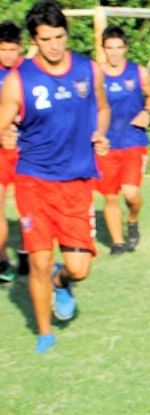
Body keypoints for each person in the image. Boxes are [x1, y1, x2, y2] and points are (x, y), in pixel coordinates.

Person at [0, 0, 110, 354]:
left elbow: (102, 108)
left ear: (67, 33)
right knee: (39, 260)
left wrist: (101, 133)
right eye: (46, 39)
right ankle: (44, 332)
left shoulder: (87, 69)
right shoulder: (19, 79)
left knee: (79, 269)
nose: (55, 45)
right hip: (34, 181)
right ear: (35, 39)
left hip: (77, 183)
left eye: (60, 36)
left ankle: (62, 283)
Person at [98, 25, 150, 255]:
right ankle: (118, 243)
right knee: (111, 196)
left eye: (118, 48)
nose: (114, 53)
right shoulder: (95, 73)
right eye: (109, 48)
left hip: (134, 140)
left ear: (125, 48)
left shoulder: (138, 72)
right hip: (106, 144)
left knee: (131, 193)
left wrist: (147, 112)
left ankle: (132, 220)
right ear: (103, 49)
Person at [0, 21, 23, 281]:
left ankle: (28, 252)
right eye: (2, 49)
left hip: (27, 150)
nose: (7, 54)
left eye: (12, 49)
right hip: (1, 150)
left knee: (27, 206)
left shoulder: (28, 73)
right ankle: (3, 261)